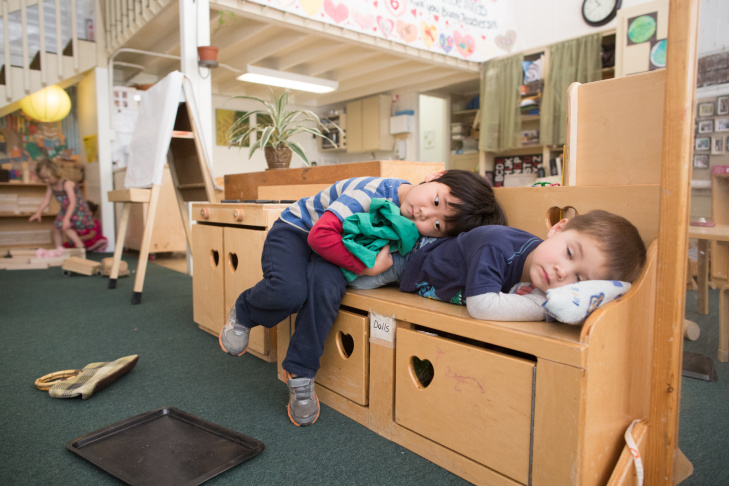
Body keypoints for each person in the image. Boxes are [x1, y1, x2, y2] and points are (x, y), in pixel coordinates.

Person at [218, 170, 506, 426]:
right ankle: (245, 311)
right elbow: (320, 237)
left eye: (438, 225)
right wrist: (366, 267)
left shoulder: (409, 224)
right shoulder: (370, 194)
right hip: (300, 231)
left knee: (325, 290)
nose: (424, 216)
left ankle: (300, 371)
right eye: (435, 202)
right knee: (290, 292)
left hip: (335, 250)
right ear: (434, 177)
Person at [356, 209, 646, 321]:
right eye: (569, 253)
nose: (562, 272)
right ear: (558, 228)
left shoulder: (538, 274)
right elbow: (482, 306)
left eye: (580, 281)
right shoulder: (498, 246)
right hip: (407, 260)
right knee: (354, 282)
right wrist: (544, 308)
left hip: (424, 283)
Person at [29, 158, 95, 250]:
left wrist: (66, 219)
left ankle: (80, 246)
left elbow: (73, 202)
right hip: (65, 210)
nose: (46, 181)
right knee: (55, 229)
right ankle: (59, 250)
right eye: (43, 179)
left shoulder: (67, 184)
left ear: (55, 173)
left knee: (65, 227)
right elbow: (46, 199)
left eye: (47, 177)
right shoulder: (51, 186)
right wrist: (38, 212)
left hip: (77, 210)